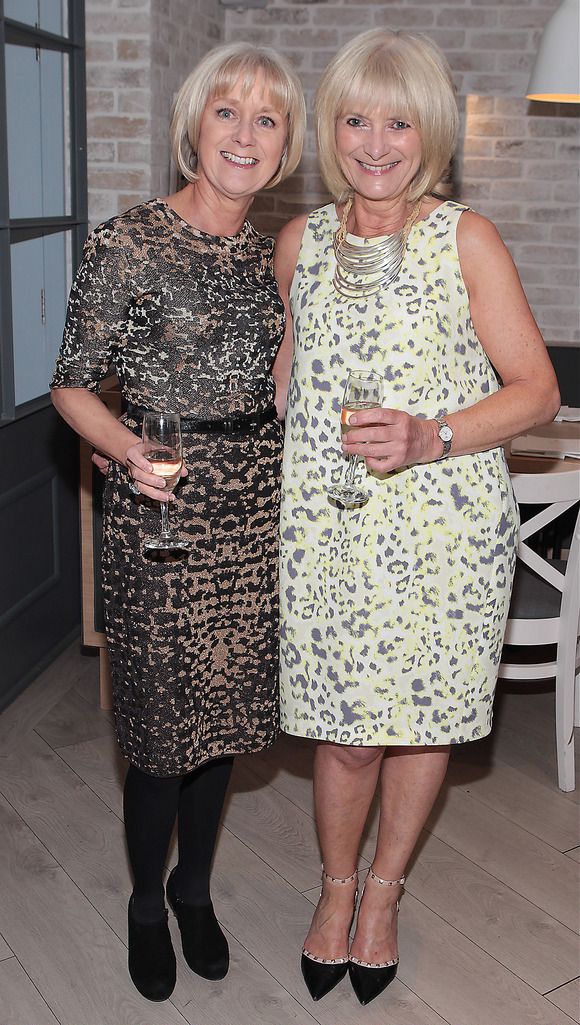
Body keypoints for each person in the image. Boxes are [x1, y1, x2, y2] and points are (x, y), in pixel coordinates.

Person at [273, 29, 559, 1007]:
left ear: (429, 130)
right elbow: (290, 382)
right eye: (357, 117)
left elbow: (536, 391)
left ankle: (383, 895)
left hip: (442, 530)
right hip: (330, 531)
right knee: (345, 733)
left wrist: (431, 434)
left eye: (398, 119)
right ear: (331, 128)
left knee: (419, 725)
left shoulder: (463, 238)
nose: (376, 140)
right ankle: (334, 886)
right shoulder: (298, 242)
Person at [51, 42, 305, 1002]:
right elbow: (71, 386)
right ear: (193, 125)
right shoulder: (127, 242)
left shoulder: (275, 250)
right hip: (160, 523)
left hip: (253, 518)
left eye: (267, 120)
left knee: (227, 727)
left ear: (283, 148)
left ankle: (195, 890)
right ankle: (145, 907)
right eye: (227, 113)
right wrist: (126, 450)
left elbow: (282, 374)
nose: (244, 135)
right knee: (161, 734)